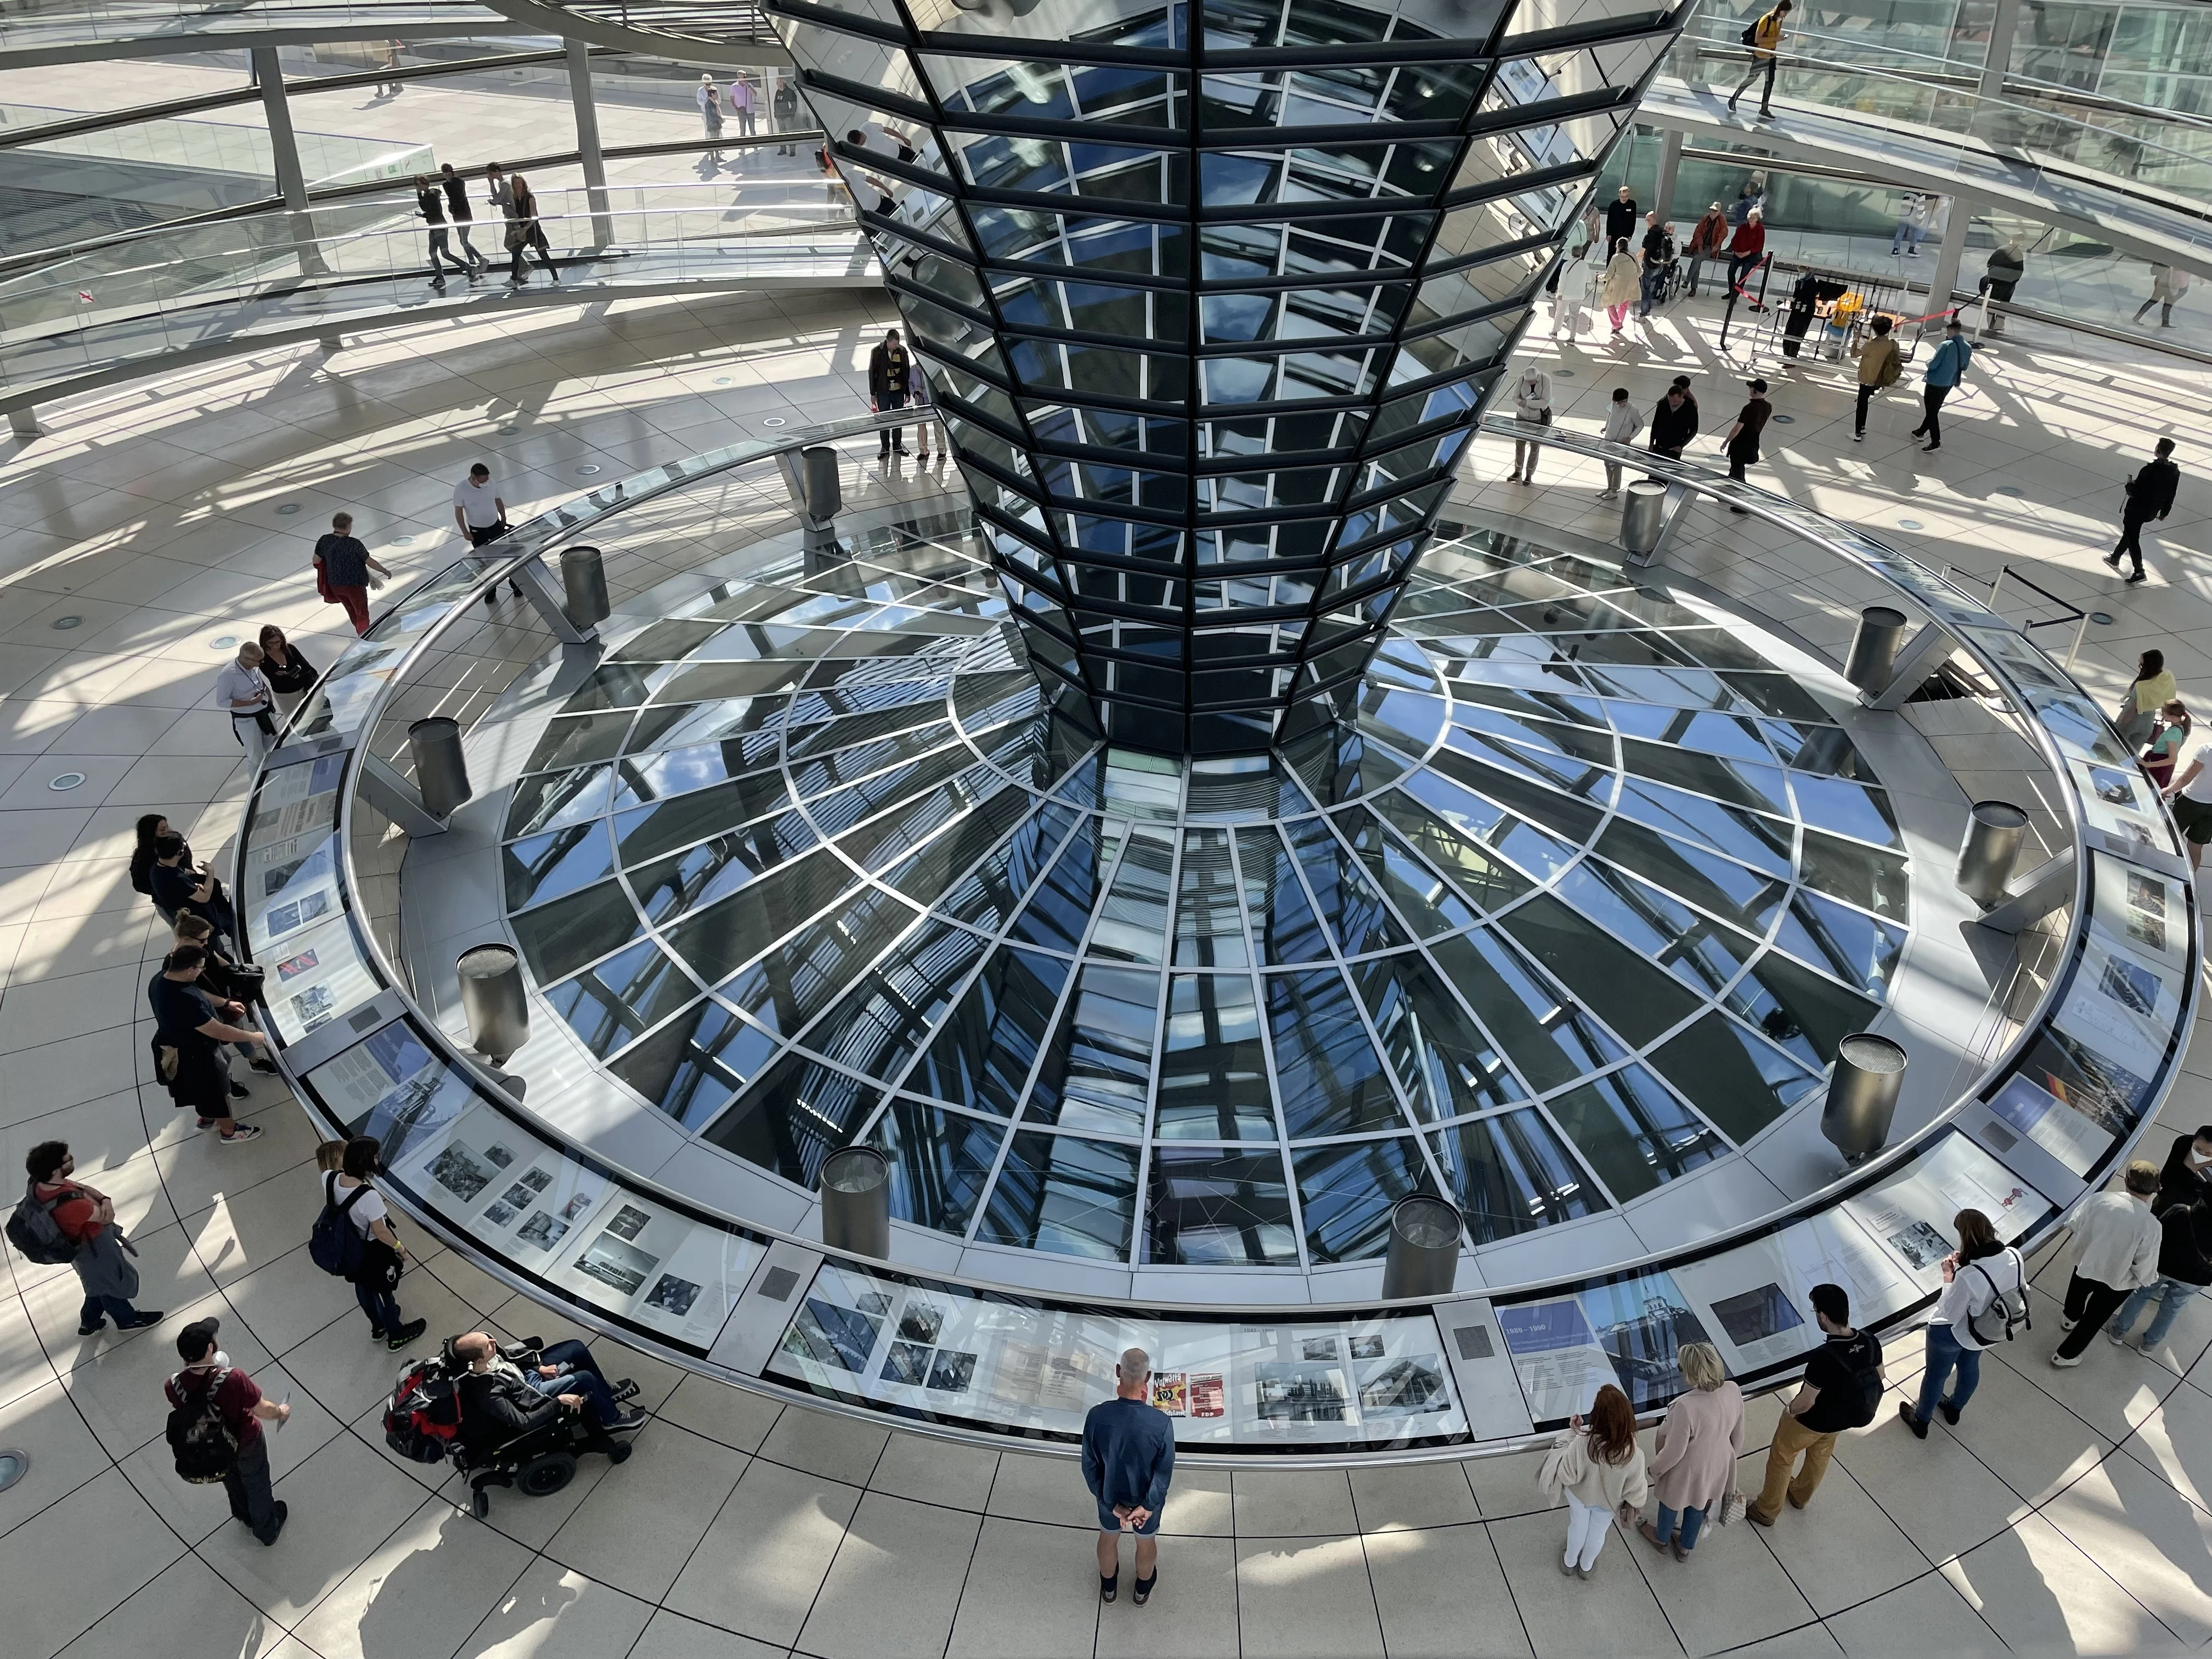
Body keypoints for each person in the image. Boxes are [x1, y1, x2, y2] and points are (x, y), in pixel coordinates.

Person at [1745, 1283, 1882, 1525]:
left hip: (1812, 1421)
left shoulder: (1824, 1356)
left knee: (1782, 1455)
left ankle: (1766, 1510)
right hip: (1842, 1418)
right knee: (1820, 1455)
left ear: (1824, 1317)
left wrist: (1789, 1411)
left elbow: (1806, 1402)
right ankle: (1800, 1495)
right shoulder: (1870, 1341)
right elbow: (1880, 1376)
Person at [167, 1317, 290, 1545]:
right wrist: (281, 1412)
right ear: (211, 1348)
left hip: (215, 1447)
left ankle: (243, 1514)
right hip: (246, 1441)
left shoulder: (173, 1385)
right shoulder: (233, 1378)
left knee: (231, 1479)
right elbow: (262, 1409)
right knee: (257, 1482)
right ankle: (266, 1529)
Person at [1899, 1209, 2020, 1438]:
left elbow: (1949, 1313)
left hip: (1954, 1333)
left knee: (1936, 1376)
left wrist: (1948, 1277)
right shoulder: (2014, 1254)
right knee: (1970, 1366)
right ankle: (1955, 1409)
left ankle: (1921, 1421)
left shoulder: (1969, 1275)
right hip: (1989, 1328)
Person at [26, 1141, 162, 1336]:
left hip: (80, 1248)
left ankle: (89, 1321)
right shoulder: (73, 1207)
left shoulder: (40, 1183)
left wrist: (98, 1197)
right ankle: (127, 1320)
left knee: (96, 1283)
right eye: (68, 1160)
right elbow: (106, 1216)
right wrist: (106, 1200)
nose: (72, 1160)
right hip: (94, 1248)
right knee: (109, 1284)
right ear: (56, 1170)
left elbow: (79, 1187)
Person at [1080, 1346, 1175, 1605]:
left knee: (1108, 1539)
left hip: (1109, 1497)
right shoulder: (1161, 1423)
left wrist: (1110, 1504)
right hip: (1146, 1502)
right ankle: (1142, 1590)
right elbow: (1164, 1472)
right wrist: (1148, 1506)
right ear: (1148, 1378)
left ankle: (1109, 1587)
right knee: (1146, 1544)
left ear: (1118, 1372)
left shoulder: (1097, 1416)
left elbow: (1089, 1466)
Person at [2050, 1160, 2163, 1366]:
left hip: (2087, 1262)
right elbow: (2145, 1263)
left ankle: (2069, 1319)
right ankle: (2065, 1356)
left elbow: (2075, 1223)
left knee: (2077, 1293)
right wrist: (2147, 1279)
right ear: (2156, 1189)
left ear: (2126, 1180)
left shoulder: (2100, 1199)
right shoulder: (2151, 1225)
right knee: (2094, 1319)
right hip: (2118, 1281)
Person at [149, 944, 264, 1142]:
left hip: (181, 1047)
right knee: (216, 1092)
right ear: (190, 969)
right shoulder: (186, 1001)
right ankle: (230, 1132)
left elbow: (200, 993)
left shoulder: (160, 980)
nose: (202, 971)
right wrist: (254, 1037)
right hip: (198, 1055)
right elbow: (218, 1030)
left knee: (203, 1092)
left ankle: (207, 1118)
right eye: (201, 968)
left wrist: (226, 1003)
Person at [1639, 1341, 1741, 1561]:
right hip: (1719, 1464)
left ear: (1691, 1374)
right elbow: (1739, 1436)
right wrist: (1728, 1461)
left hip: (1686, 1470)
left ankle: (1662, 1538)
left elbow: (1674, 1452)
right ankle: (1686, 1547)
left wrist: (1655, 1469)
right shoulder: (1733, 1390)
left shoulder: (1686, 1406)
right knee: (1700, 1504)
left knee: (1670, 1504)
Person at [329, 1136, 427, 1348]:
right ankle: (396, 1334)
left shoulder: (330, 1179)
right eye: (375, 1156)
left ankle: (377, 1326)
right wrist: (400, 1247)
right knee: (384, 1292)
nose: (379, 1159)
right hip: (372, 1252)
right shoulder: (368, 1196)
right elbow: (381, 1232)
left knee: (362, 1287)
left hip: (348, 1248)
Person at [1544, 1383, 1646, 1579]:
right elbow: (1637, 1495)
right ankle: (1586, 1567)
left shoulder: (1583, 1443)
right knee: (1598, 1534)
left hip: (1580, 1497)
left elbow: (1566, 1475)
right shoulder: (1635, 1455)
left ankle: (1569, 1562)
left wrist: (1576, 1432)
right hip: (1608, 1504)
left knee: (1577, 1527)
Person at [451, 1330, 642, 1429]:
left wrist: (538, 1367)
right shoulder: (488, 1394)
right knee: (585, 1378)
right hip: (532, 1393)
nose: (494, 1343)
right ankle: (612, 1418)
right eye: (488, 1346)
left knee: (577, 1347)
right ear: (476, 1362)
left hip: (526, 1373)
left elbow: (511, 1357)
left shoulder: (488, 1354)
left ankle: (605, 1393)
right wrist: (559, 1402)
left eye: (488, 1338)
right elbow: (525, 1422)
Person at [171, 913, 279, 1075]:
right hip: (210, 1009)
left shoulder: (199, 947)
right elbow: (198, 993)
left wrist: (237, 974)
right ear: (186, 938)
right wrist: (226, 1003)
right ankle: (225, 1081)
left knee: (235, 1028)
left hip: (221, 998)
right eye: (202, 940)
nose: (206, 943)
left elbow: (216, 958)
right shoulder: (178, 964)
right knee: (221, 1049)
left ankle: (254, 1061)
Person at [2108, 1197, 2212, 1353]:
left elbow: (2156, 1231)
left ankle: (2119, 1330)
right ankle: (2149, 1344)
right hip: (2197, 1276)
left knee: (2142, 1293)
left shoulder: (2181, 1211)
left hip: (2163, 1265)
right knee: (2172, 1308)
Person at [2102, 438, 2181, 586]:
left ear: (2158, 449)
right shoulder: (2174, 472)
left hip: (2136, 509)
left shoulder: (2149, 471)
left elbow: (2137, 492)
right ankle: (2115, 558)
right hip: (2151, 511)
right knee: (2130, 533)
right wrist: (2165, 512)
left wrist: (2129, 486)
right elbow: (2172, 493)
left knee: (2133, 539)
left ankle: (2139, 572)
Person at [313, 511, 390, 636]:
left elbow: (316, 561)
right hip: (355, 585)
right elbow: (370, 562)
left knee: (352, 611)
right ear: (348, 527)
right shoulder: (354, 544)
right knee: (362, 613)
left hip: (336, 585)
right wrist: (384, 571)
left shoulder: (324, 540)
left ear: (334, 525)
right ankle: (365, 637)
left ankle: (360, 632)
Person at [149, 832, 237, 942]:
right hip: (199, 919)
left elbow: (184, 872)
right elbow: (205, 897)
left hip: (188, 916)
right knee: (212, 946)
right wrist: (210, 872)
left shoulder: (156, 869)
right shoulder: (177, 880)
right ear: (180, 852)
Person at [215, 640, 278, 770]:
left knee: (274, 749)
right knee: (256, 757)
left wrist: (269, 696)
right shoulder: (228, 675)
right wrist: (250, 702)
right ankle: (257, 788)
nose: (262, 663)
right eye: (259, 661)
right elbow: (222, 701)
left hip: (265, 712)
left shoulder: (254, 667)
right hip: (248, 721)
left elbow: (260, 683)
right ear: (246, 660)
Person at [1912, 318, 1972, 453]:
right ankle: (1921, 431)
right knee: (1935, 408)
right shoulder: (1967, 347)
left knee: (1931, 410)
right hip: (1950, 382)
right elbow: (1965, 366)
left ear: (1951, 330)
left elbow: (1933, 364)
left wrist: (1928, 362)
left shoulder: (1946, 345)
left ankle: (1935, 441)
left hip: (1936, 381)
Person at [1727, 1, 1792, 119]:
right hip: (1760, 57)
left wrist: (1777, 40)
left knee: (1770, 82)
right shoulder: (1765, 20)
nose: (1785, 15)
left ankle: (1764, 109)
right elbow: (1758, 40)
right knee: (1751, 79)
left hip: (1771, 56)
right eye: (1785, 12)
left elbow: (1773, 37)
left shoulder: (1779, 21)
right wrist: (1776, 39)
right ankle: (1733, 100)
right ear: (1780, 10)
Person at [1721, 377, 1773, 503]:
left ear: (1755, 391)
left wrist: (1727, 441)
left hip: (1740, 444)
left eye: (1751, 388)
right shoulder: (1768, 407)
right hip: (1753, 442)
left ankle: (1743, 502)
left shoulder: (1749, 408)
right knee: (1736, 469)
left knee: (1738, 472)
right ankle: (1725, 492)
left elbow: (1738, 428)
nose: (1750, 390)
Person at [416, 174, 472, 289]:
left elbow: (426, 207)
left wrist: (419, 196)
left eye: (418, 184)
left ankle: (467, 267)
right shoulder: (431, 195)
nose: (417, 187)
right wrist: (425, 215)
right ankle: (440, 277)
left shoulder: (430, 196)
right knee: (433, 253)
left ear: (423, 184)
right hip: (434, 227)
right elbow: (432, 211)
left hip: (439, 227)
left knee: (444, 253)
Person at [2113, 648, 2177, 748]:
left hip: (2131, 722)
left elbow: (2131, 710)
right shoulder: (2167, 677)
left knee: (2114, 749)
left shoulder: (2141, 687)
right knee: (2132, 756)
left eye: (2141, 665)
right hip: (2148, 723)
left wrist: (2118, 728)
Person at [1852, 314, 1901, 442]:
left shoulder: (1870, 346)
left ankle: (1858, 432)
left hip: (1867, 379)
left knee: (1861, 404)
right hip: (1881, 379)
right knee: (1866, 401)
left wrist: (1856, 339)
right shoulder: (1893, 345)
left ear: (1875, 329)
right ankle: (1862, 428)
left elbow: (1854, 354)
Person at [2162, 746, 2212, 871]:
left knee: (2169, 837)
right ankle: (2189, 882)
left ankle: (2162, 870)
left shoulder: (2207, 749)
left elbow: (2186, 778)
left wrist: (2168, 790)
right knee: (2196, 847)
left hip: (2190, 801)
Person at [505, 172, 558, 285]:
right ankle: (514, 279)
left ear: (523, 183)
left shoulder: (529, 197)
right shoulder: (516, 198)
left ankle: (556, 279)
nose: (518, 185)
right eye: (516, 183)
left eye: (520, 183)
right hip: (524, 232)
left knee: (544, 256)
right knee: (515, 253)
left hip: (533, 231)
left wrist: (524, 229)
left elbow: (534, 217)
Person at [868, 328, 912, 458]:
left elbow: (906, 371)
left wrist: (907, 392)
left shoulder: (902, 351)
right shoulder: (877, 352)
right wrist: (873, 393)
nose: (896, 346)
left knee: (898, 419)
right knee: (884, 420)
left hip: (898, 392)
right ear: (888, 341)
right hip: (884, 392)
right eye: (894, 344)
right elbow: (872, 372)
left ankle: (898, 445)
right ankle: (885, 447)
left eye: (897, 343)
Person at [1597, 386, 1644, 500]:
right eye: (1617, 402)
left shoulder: (1632, 410)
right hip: (1609, 440)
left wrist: (1630, 437)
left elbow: (1640, 425)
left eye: (1622, 402)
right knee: (1607, 464)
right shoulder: (1614, 404)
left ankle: (1614, 490)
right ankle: (1609, 487)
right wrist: (1606, 427)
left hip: (1621, 442)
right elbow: (1610, 416)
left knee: (1616, 467)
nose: (1619, 404)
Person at [438, 162, 485, 272]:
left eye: (449, 175)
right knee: (463, 240)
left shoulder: (458, 183)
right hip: (458, 215)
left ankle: (478, 259)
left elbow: (458, 196)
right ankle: (473, 261)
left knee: (464, 240)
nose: (447, 177)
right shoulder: (448, 184)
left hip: (464, 214)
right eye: (446, 175)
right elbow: (453, 197)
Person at [2155, 1126, 2212, 1216]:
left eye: (2208, 1154)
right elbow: (2167, 1173)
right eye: (2198, 1149)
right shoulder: (2183, 1144)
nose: (2201, 1154)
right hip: (2166, 1197)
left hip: (2189, 1211)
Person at [256, 625, 315, 706]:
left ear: (282, 640)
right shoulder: (263, 659)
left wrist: (289, 674)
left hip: (305, 689)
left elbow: (307, 667)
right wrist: (296, 672)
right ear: (264, 643)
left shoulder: (290, 649)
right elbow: (277, 681)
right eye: (271, 643)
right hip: (286, 697)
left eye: (278, 642)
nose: (275, 646)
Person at [1682, 201, 1729, 297]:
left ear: (1719, 212)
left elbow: (1723, 233)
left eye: (1715, 211)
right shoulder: (1705, 218)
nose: (1712, 213)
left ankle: (1687, 281)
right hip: (1699, 245)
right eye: (1711, 210)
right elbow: (1698, 232)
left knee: (1696, 259)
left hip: (1710, 248)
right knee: (1697, 263)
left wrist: (1716, 246)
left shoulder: (1721, 220)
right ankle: (1693, 288)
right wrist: (1699, 246)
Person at [1599, 238, 1641, 337]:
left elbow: (1609, 275)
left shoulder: (1616, 257)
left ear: (1618, 246)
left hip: (1618, 286)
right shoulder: (1632, 255)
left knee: (1610, 303)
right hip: (1631, 285)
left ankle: (1617, 324)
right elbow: (1639, 272)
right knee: (1624, 305)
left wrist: (1599, 277)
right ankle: (1617, 326)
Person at [2143, 700, 2191, 789]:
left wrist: (2147, 765)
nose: (2162, 715)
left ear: (2172, 716)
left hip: (2158, 767)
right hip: (2160, 765)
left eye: (2163, 713)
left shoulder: (2173, 733)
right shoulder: (2181, 728)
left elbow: (2172, 759)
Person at [1980, 238, 2025, 333]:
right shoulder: (2018, 254)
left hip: (1994, 282)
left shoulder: (2001, 249)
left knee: (1992, 303)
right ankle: (1999, 325)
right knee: (2004, 304)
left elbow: (1989, 264)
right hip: (2008, 284)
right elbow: (2019, 271)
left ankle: (1991, 324)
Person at [1650, 377, 1699, 459]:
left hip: (1674, 448)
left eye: (1675, 401)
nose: (1672, 403)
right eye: (1670, 400)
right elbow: (1656, 423)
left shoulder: (1690, 407)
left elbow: (1694, 429)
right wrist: (1652, 442)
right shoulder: (1664, 403)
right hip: (1659, 446)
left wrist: (1681, 445)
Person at [1638, 213, 1675, 319]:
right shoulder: (1662, 232)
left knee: (1645, 289)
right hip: (1660, 265)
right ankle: (1648, 311)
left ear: (1650, 221)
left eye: (1647, 220)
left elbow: (1643, 252)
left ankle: (1643, 314)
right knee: (1651, 289)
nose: (1646, 222)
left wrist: (1634, 259)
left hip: (1650, 265)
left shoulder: (1650, 235)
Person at [1725, 206, 1765, 298]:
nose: (1752, 219)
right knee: (1731, 271)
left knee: (1743, 276)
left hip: (1751, 255)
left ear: (1758, 219)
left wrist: (1748, 253)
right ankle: (1731, 292)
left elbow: (1759, 246)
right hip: (1739, 253)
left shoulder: (1760, 229)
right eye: (1751, 217)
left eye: (1754, 217)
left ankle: (1735, 296)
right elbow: (1735, 240)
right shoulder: (1743, 228)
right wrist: (1735, 251)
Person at [2135, 265, 2188, 329]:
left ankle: (2137, 318)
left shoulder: (2170, 264)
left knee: (2157, 302)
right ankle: (2165, 323)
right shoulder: (2174, 265)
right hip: (2165, 285)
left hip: (2162, 283)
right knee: (2166, 304)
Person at [1891, 191, 1928, 258]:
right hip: (1913, 214)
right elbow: (1921, 208)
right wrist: (1920, 220)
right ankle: (1911, 250)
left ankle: (1895, 250)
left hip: (1903, 213)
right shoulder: (1921, 195)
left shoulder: (1907, 193)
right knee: (1915, 232)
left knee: (1900, 232)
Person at [910, 358, 933, 462]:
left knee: (938, 426)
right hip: (919, 401)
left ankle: (942, 450)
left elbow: (933, 386)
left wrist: (922, 391)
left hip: (931, 401)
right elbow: (911, 383)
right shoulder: (913, 369)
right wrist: (914, 393)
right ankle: (923, 450)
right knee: (921, 427)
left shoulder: (930, 369)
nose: (919, 368)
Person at [1602, 184, 1638, 253]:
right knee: (1612, 252)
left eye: (1626, 196)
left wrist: (1630, 234)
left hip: (1625, 233)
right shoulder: (1613, 205)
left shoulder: (1632, 204)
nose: (1624, 199)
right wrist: (1608, 233)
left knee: (1622, 252)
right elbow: (1609, 220)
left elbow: (1633, 220)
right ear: (1619, 195)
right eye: (1622, 197)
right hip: (1614, 233)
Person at [698, 74, 725, 162]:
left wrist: (714, 101)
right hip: (707, 115)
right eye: (706, 84)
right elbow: (699, 101)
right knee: (708, 132)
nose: (708, 86)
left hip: (714, 118)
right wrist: (709, 100)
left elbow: (719, 100)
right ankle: (711, 150)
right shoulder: (701, 91)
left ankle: (720, 149)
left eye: (709, 84)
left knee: (718, 133)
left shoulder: (714, 90)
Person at [773, 77, 800, 155]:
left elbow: (794, 105)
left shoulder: (790, 93)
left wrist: (791, 115)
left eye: (778, 83)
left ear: (783, 83)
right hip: (779, 117)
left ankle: (792, 150)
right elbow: (775, 103)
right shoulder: (778, 92)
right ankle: (783, 149)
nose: (777, 84)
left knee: (790, 134)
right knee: (782, 134)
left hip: (787, 117)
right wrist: (776, 113)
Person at [729, 74, 757, 138]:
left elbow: (755, 94)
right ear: (739, 78)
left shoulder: (749, 85)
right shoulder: (734, 87)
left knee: (752, 129)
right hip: (741, 111)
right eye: (743, 77)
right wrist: (736, 110)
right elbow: (732, 100)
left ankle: (755, 144)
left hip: (750, 111)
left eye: (745, 77)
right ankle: (743, 146)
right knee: (742, 129)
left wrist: (748, 86)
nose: (745, 78)